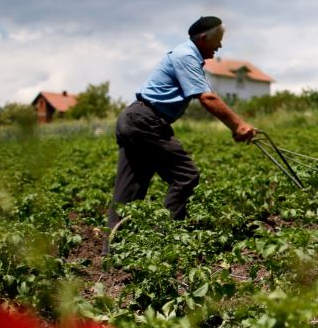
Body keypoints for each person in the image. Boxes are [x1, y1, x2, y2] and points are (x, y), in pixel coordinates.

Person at [105, 16, 257, 249]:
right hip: (146, 121)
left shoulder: (185, 55)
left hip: (134, 119)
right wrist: (238, 125)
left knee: (128, 193)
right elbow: (206, 97)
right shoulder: (186, 55)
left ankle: (113, 254)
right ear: (204, 38)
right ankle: (165, 240)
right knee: (185, 175)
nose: (220, 46)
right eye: (217, 40)